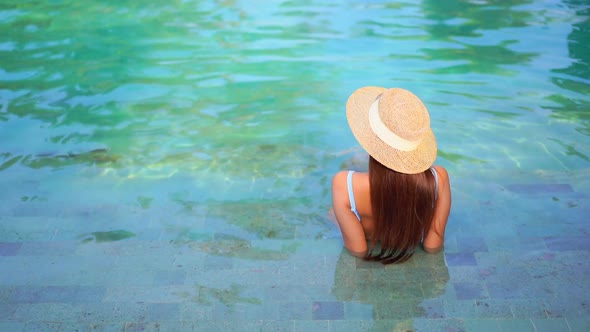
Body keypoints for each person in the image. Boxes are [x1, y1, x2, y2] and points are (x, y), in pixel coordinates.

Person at [331, 86, 451, 264]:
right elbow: (432, 246)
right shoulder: (438, 178)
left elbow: (358, 250)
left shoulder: (344, 183)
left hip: (371, 240)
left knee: (331, 212)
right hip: (409, 242)